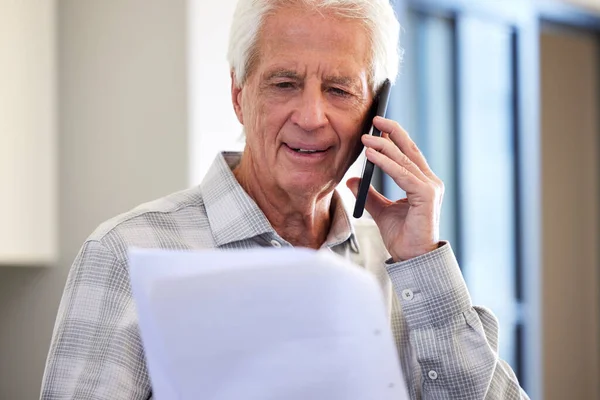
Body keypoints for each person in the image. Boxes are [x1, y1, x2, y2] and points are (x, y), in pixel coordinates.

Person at [40, 0, 529, 399]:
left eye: (339, 90)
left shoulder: (404, 265)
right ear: (238, 93)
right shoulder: (126, 251)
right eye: (284, 84)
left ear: (374, 111)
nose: (312, 116)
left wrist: (423, 261)